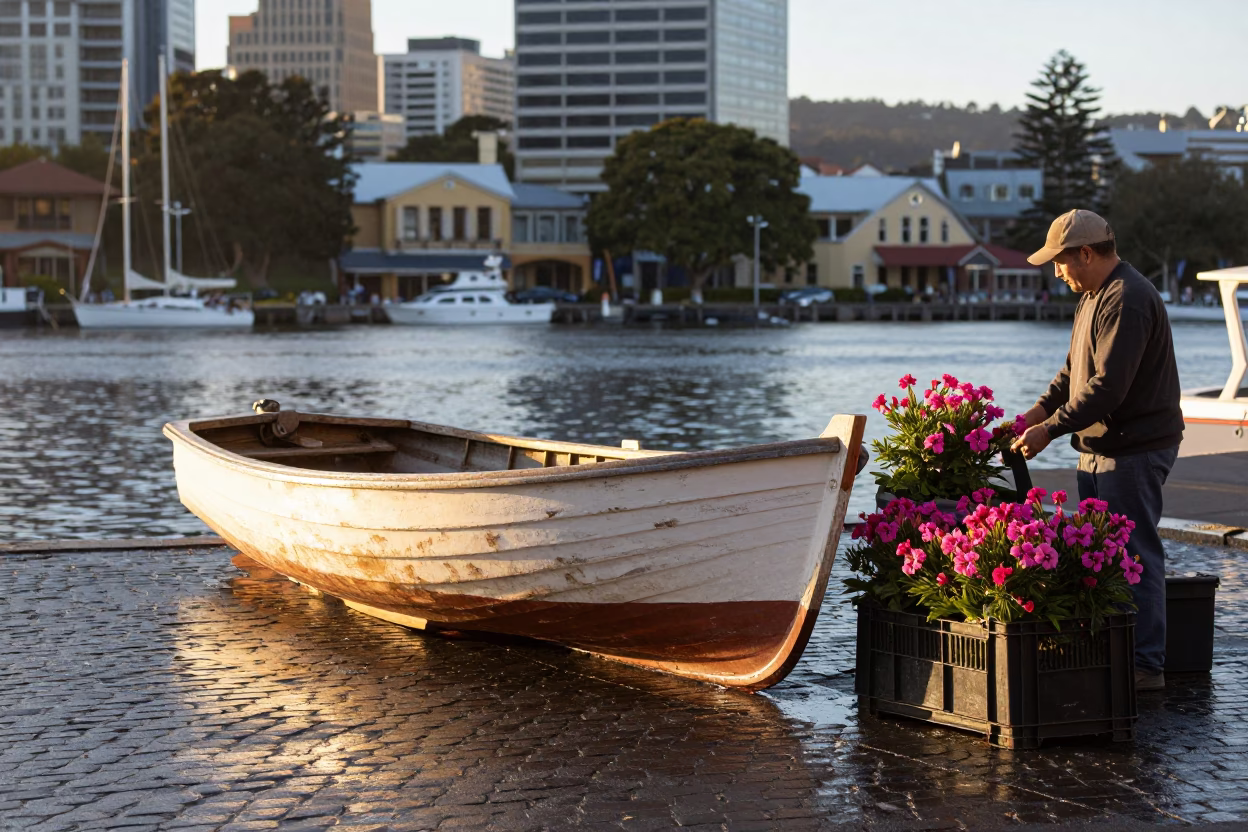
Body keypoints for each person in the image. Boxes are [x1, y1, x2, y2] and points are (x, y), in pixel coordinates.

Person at [1010, 209, 1184, 692]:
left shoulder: (1128, 299)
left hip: (1133, 448)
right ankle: (1118, 653)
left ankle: (1146, 666)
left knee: (1134, 553)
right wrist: (1033, 415)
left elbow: (1108, 389)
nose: (1056, 271)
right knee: (1104, 556)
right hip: (1101, 446)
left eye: (1060, 261)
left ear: (1085, 253)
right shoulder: (1092, 296)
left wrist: (1049, 431)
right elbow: (1072, 375)